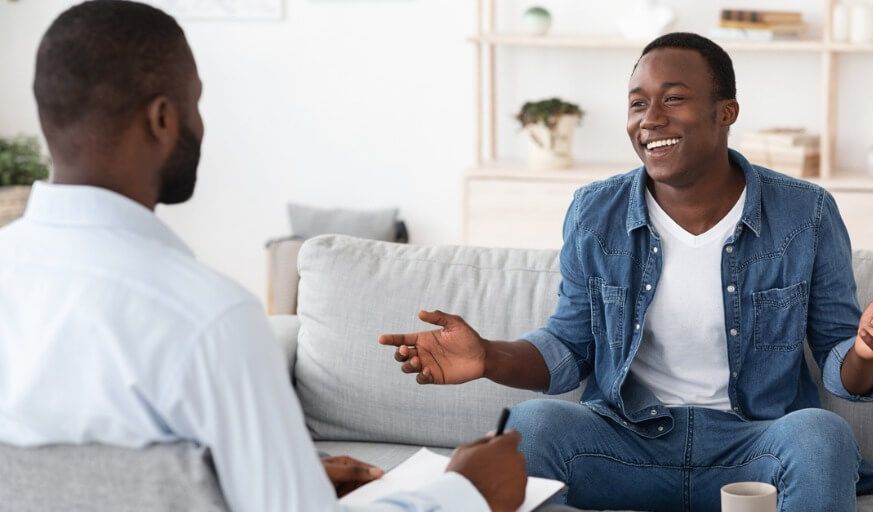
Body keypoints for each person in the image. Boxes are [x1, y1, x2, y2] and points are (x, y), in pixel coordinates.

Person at [0, 1, 525, 511]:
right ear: (162, 119)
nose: (200, 125)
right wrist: (466, 491)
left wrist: (254, 484)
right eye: (195, 103)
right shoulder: (207, 319)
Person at [380, 32, 873, 511]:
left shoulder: (806, 214)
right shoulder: (594, 213)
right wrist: (489, 356)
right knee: (532, 427)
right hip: (626, 444)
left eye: (674, 99)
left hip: (752, 449)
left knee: (821, 435)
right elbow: (569, 348)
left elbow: (841, 368)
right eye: (638, 104)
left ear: (726, 111)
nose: (650, 119)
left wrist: (867, 352)